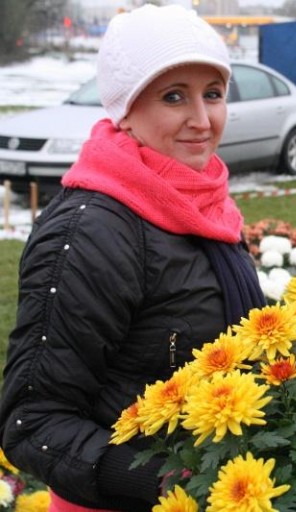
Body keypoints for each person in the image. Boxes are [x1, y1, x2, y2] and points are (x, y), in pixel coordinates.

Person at [0, 5, 265, 511]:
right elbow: (33, 422)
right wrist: (170, 484)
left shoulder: (202, 199)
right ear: (126, 110)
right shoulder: (91, 231)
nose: (202, 120)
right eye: (173, 97)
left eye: (213, 94)